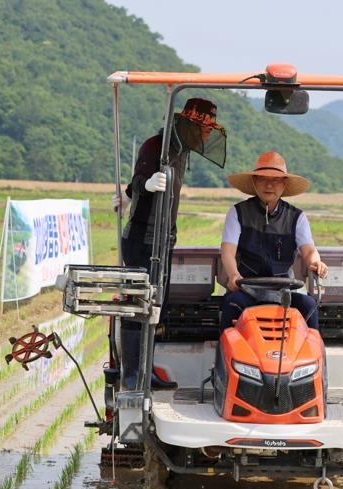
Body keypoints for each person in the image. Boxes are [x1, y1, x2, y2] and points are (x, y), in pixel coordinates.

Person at [113, 97, 227, 390]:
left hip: (164, 239)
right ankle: (131, 373)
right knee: (136, 304)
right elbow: (139, 178)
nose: (206, 135)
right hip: (142, 239)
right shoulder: (156, 146)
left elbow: (132, 187)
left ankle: (146, 371)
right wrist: (144, 186)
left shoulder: (181, 151)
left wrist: (128, 195)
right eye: (203, 128)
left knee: (155, 307)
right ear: (188, 123)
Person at [219, 151, 328, 331]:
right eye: (263, 178)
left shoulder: (297, 217)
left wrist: (316, 262)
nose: (269, 184)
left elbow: (309, 251)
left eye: (276, 179)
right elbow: (228, 251)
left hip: (284, 290)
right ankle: (224, 357)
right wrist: (233, 275)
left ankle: (315, 357)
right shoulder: (237, 212)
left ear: (284, 184)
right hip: (247, 288)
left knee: (309, 306)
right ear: (254, 182)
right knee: (232, 304)